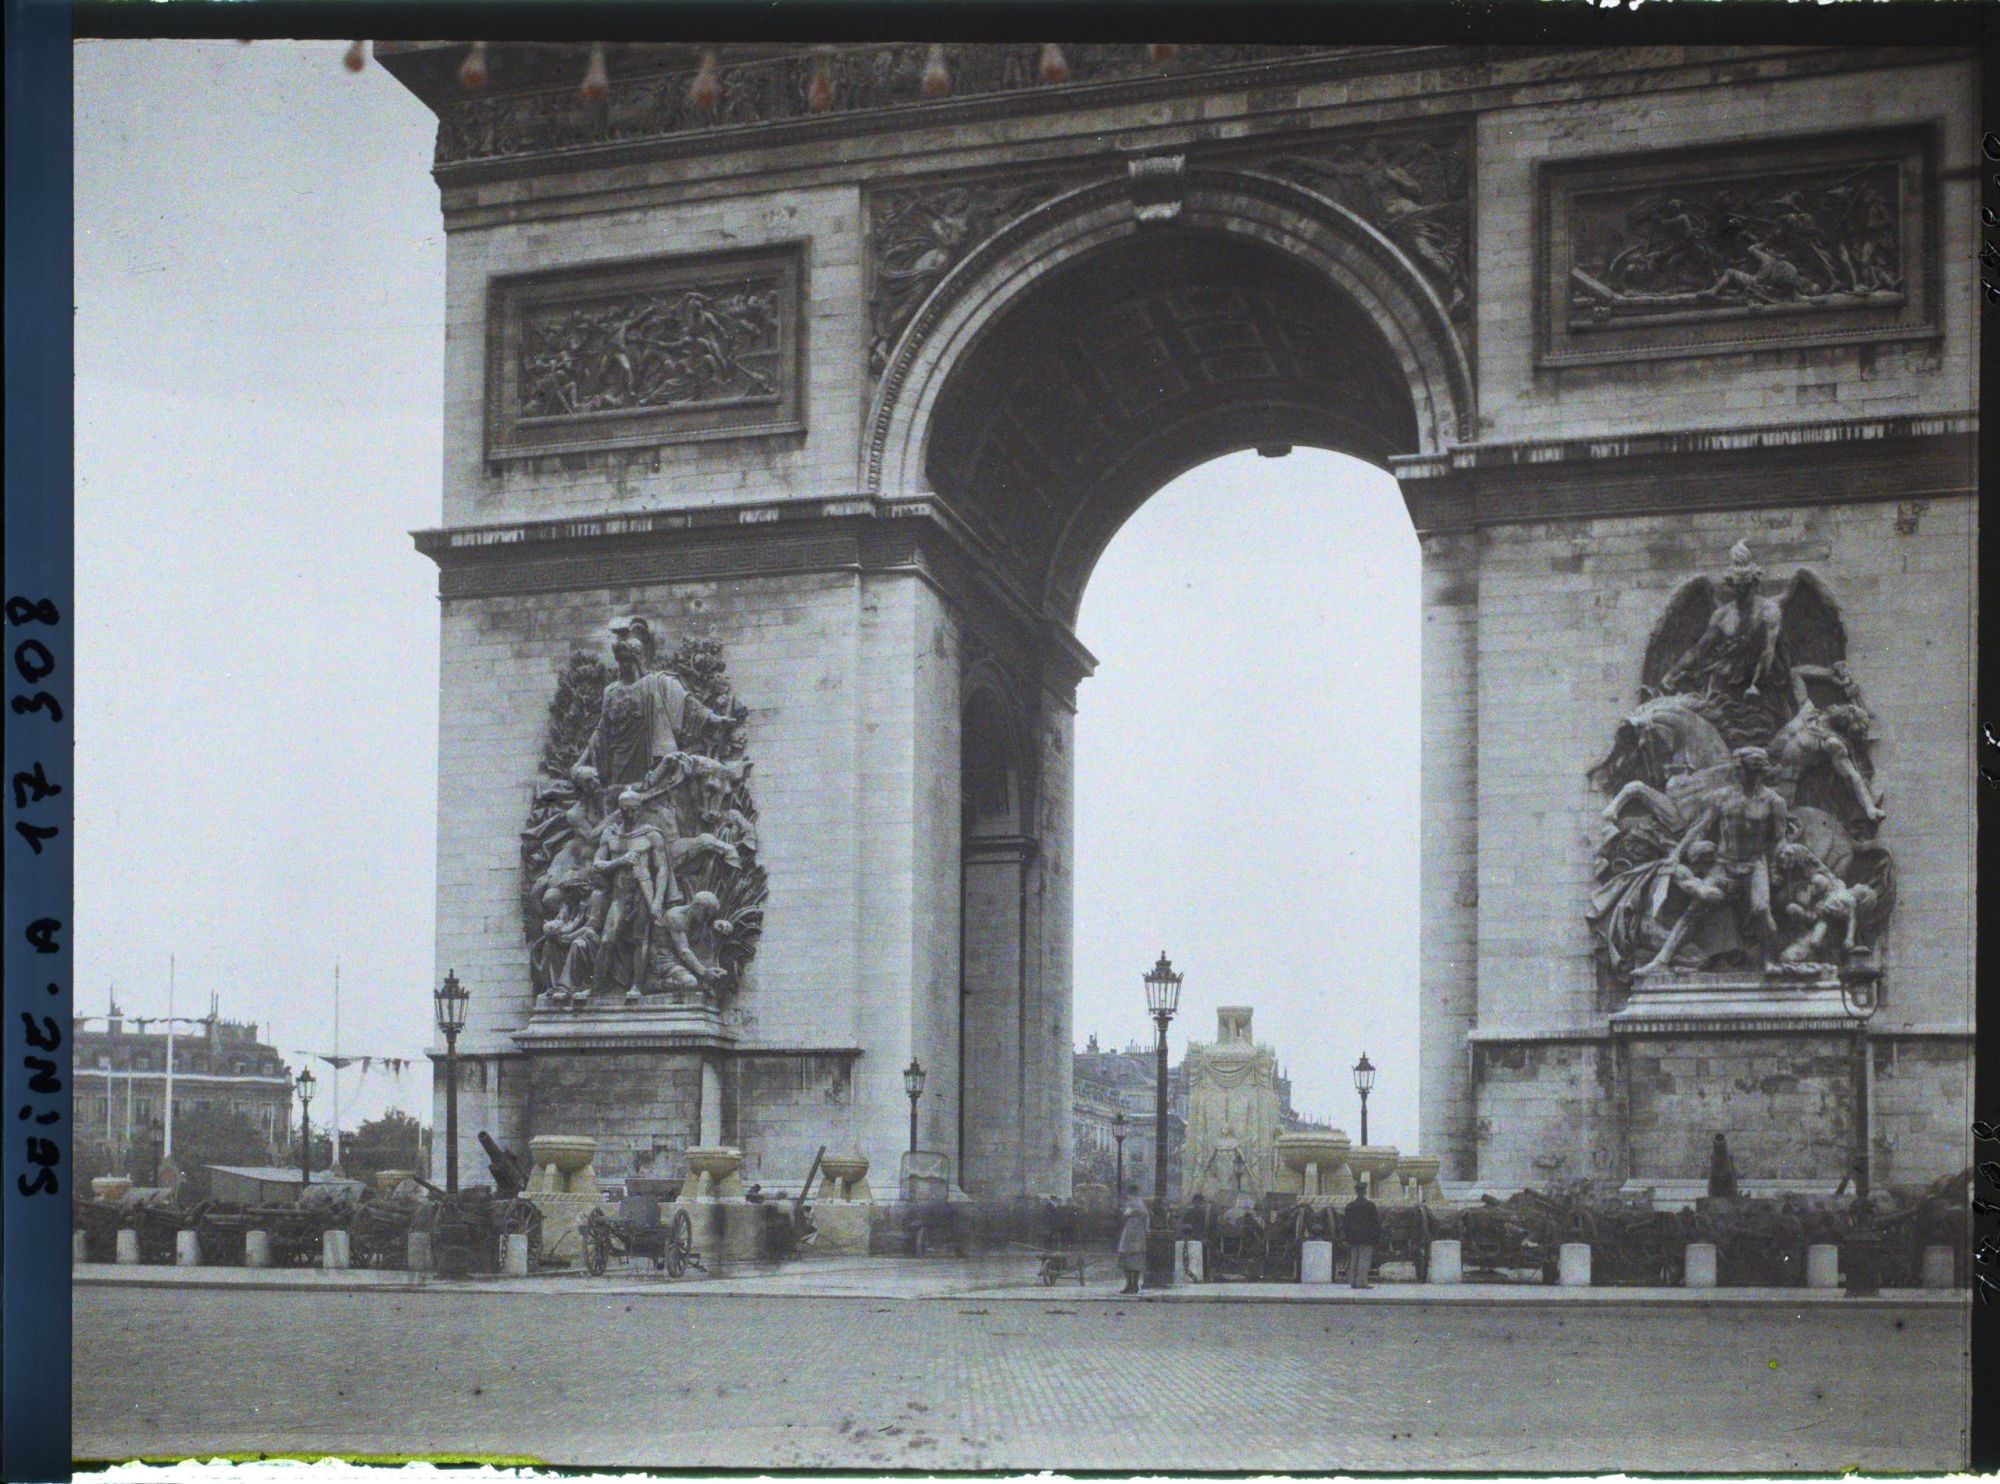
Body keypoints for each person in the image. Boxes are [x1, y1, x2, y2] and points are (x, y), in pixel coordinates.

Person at [1343, 1185, 1382, 1290]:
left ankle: (1353, 1282)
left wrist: (1346, 1238)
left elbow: (1345, 1223)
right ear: (1365, 1191)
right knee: (1364, 1260)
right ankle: (1362, 1282)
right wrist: (1377, 1236)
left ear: (1356, 1192)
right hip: (1366, 1237)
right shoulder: (1370, 1206)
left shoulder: (1350, 1206)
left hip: (1353, 1237)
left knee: (1354, 1260)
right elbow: (1375, 1222)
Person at [1116, 1183, 1149, 1295]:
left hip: (1131, 1236)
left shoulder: (1133, 1205)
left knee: (1128, 1261)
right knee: (1134, 1261)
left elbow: (1125, 1214)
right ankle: (1133, 1284)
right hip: (1137, 1236)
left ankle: (1131, 1284)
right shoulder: (1141, 1205)